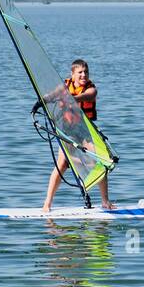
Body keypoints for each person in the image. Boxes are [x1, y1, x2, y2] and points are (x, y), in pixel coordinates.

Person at [41, 59, 114, 212]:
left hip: (85, 131)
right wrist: (42, 101)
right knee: (61, 165)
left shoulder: (91, 89)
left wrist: (71, 99)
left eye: (86, 72)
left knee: (100, 162)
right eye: (80, 72)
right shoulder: (65, 86)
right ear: (72, 74)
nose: (84, 75)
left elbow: (87, 96)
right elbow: (51, 95)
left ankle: (105, 202)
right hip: (68, 131)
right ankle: (47, 204)